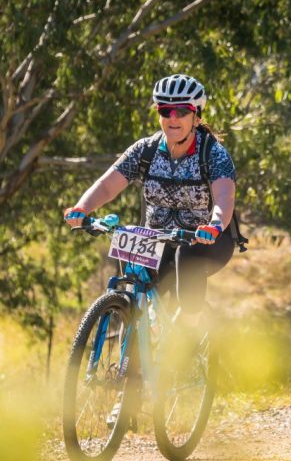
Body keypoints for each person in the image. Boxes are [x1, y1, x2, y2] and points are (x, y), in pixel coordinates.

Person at [64, 74, 237, 319]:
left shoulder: (213, 154)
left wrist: (215, 225)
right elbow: (107, 185)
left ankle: (188, 336)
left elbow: (224, 197)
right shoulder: (146, 150)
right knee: (137, 292)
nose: (173, 118)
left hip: (206, 240)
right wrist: (82, 208)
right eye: (166, 111)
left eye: (181, 111)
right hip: (158, 237)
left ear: (196, 116)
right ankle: (134, 346)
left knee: (186, 257)